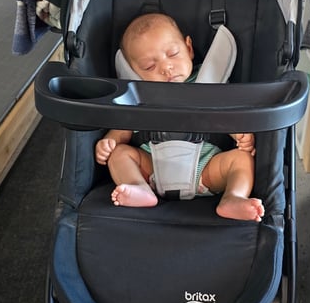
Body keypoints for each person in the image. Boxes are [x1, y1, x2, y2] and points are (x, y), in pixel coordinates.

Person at [95, 14, 265, 222]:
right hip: (152, 168)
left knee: (242, 159)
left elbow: (225, 115)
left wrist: (239, 134)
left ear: (189, 48)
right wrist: (109, 142)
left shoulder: (210, 82)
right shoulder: (139, 96)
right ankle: (138, 187)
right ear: (135, 72)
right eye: (149, 66)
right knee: (119, 154)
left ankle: (233, 197)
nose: (166, 68)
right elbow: (122, 130)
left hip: (207, 168)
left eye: (173, 54)